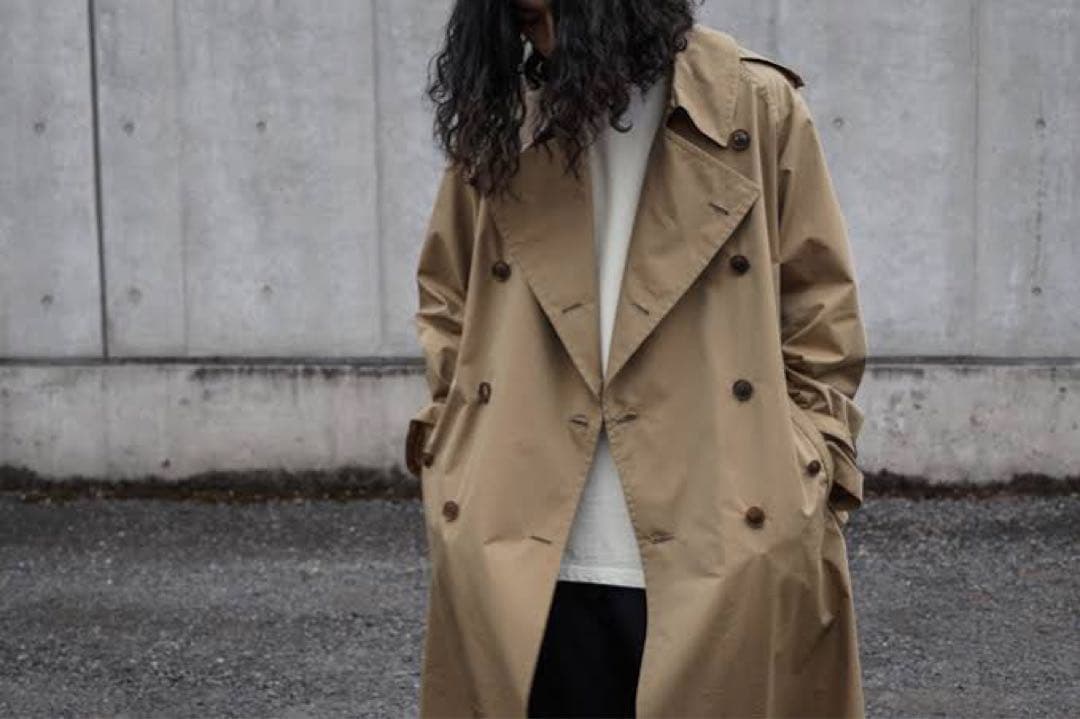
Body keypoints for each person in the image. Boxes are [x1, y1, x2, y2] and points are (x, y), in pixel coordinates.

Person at [406, 1, 870, 717]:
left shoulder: (752, 106)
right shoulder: (506, 119)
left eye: (552, 16)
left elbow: (820, 311)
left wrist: (807, 462)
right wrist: (454, 450)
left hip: (725, 532)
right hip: (524, 545)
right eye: (524, 24)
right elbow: (448, 300)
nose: (541, 40)